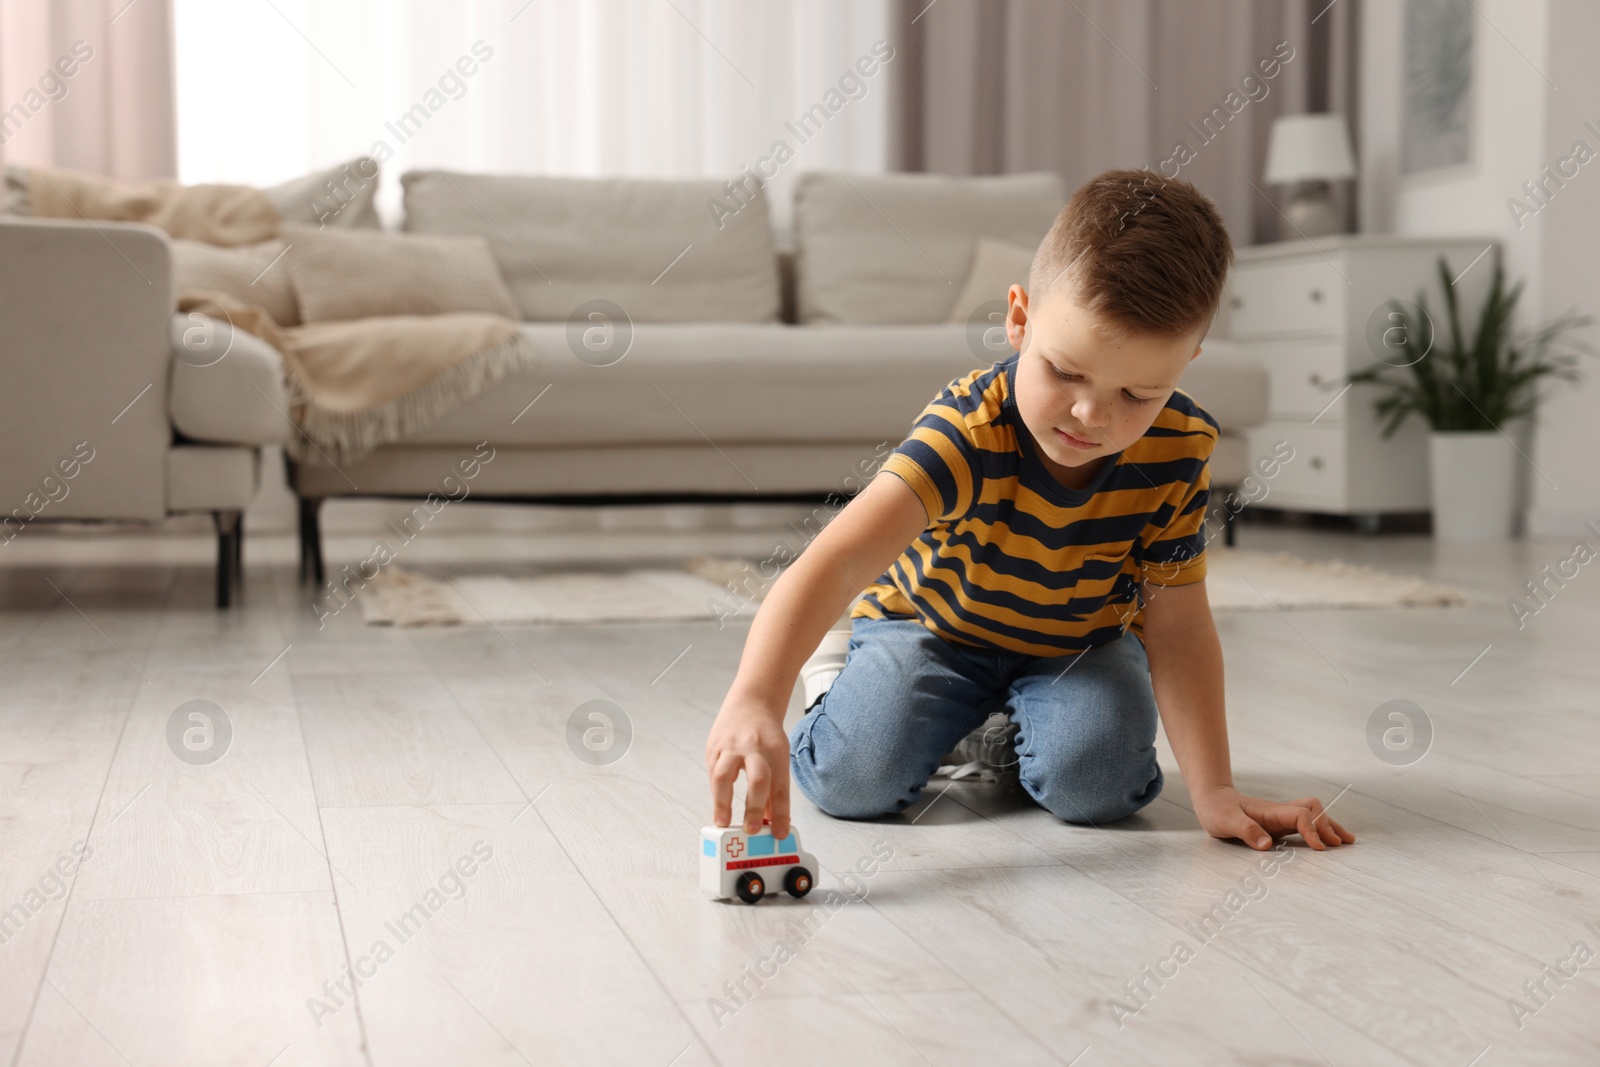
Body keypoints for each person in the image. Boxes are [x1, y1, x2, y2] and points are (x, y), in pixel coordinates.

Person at [705, 167, 1354, 854]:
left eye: (1139, 393)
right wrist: (754, 697)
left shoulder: (1179, 448)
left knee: (1099, 788)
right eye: (1066, 371)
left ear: (1186, 364)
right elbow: (834, 564)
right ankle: (846, 683)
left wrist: (1214, 791)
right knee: (852, 782)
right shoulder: (966, 431)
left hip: (1080, 644)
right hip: (931, 628)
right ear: (1018, 318)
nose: (1090, 414)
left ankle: (1000, 734)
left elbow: (1180, 626)